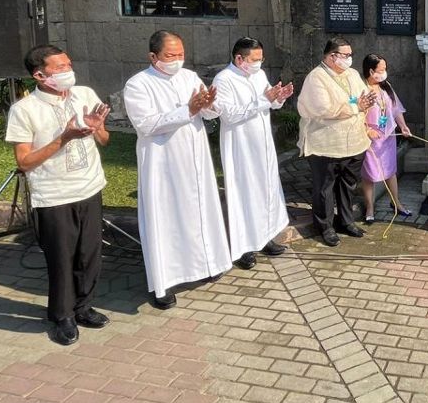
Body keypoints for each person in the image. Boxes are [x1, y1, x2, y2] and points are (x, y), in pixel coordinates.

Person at [5, 46, 111, 345]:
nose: (68, 71)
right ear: (40, 75)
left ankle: (83, 307)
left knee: (89, 255)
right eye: (60, 68)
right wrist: (64, 137)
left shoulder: (85, 94)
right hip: (53, 195)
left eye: (69, 64)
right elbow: (24, 162)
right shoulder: (24, 110)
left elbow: (104, 140)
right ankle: (61, 315)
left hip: (89, 186)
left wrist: (97, 128)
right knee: (62, 259)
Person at [123, 31, 232, 309]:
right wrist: (188, 110)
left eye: (181, 54)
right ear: (153, 56)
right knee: (167, 218)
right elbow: (146, 125)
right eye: (171, 55)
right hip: (163, 162)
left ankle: (208, 262)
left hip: (195, 159)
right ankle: (164, 282)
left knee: (201, 211)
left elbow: (207, 112)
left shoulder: (189, 77)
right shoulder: (138, 84)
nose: (177, 60)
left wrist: (208, 105)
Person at [213, 37, 294, 270]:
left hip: (263, 144)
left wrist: (279, 97)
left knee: (265, 191)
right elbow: (229, 115)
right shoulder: (224, 79)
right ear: (239, 58)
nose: (259, 63)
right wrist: (264, 100)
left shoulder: (258, 75)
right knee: (243, 194)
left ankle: (265, 237)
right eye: (254, 59)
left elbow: (269, 101)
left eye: (261, 59)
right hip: (240, 146)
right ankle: (243, 248)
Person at [297, 38, 376, 246]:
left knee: (348, 184)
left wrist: (368, 102)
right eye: (346, 56)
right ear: (332, 56)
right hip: (326, 144)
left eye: (351, 55)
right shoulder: (316, 78)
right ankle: (325, 227)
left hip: (354, 141)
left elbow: (363, 96)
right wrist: (355, 106)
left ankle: (346, 221)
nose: (350, 59)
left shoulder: (352, 74)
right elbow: (323, 108)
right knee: (324, 188)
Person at [360, 54, 412, 224]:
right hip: (370, 138)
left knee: (390, 170)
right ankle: (369, 207)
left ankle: (396, 202)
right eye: (381, 70)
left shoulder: (386, 86)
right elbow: (356, 114)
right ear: (370, 70)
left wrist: (403, 127)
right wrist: (367, 129)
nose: (384, 73)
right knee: (370, 174)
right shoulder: (361, 88)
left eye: (385, 69)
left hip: (388, 135)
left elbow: (396, 109)